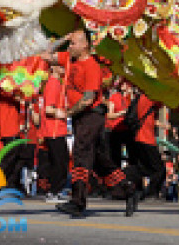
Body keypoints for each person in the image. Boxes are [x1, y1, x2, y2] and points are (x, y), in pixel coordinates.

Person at [55, 29, 137, 218]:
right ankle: (128, 189)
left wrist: (66, 113)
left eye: (73, 43)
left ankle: (78, 201)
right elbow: (45, 55)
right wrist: (63, 37)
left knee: (80, 155)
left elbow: (88, 99)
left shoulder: (91, 66)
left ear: (85, 45)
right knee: (100, 162)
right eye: (70, 43)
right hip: (81, 118)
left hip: (90, 116)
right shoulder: (69, 59)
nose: (70, 46)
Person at [37, 57, 70, 203]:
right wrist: (64, 113)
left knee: (60, 161)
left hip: (57, 129)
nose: (64, 69)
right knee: (60, 162)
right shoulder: (53, 84)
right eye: (61, 67)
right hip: (54, 129)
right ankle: (54, 192)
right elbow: (49, 109)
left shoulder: (57, 84)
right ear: (54, 68)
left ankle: (55, 191)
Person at [125, 91, 166, 200]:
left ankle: (123, 178)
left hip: (140, 138)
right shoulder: (148, 97)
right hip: (146, 139)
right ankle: (151, 193)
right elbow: (164, 101)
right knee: (159, 168)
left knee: (143, 168)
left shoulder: (142, 98)